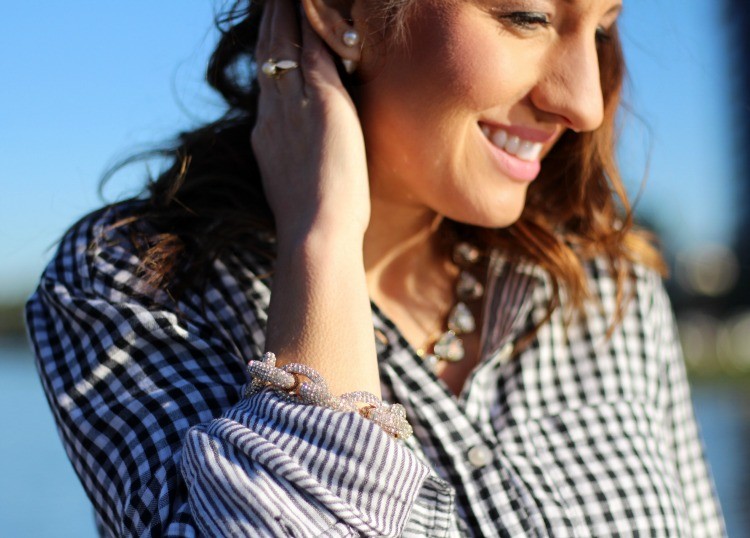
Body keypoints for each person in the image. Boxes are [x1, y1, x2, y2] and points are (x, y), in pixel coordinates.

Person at [26, 0, 725, 536]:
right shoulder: (135, 287)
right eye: (528, 17)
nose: (583, 100)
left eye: (601, 29)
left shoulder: (607, 288)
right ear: (336, 10)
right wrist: (322, 238)